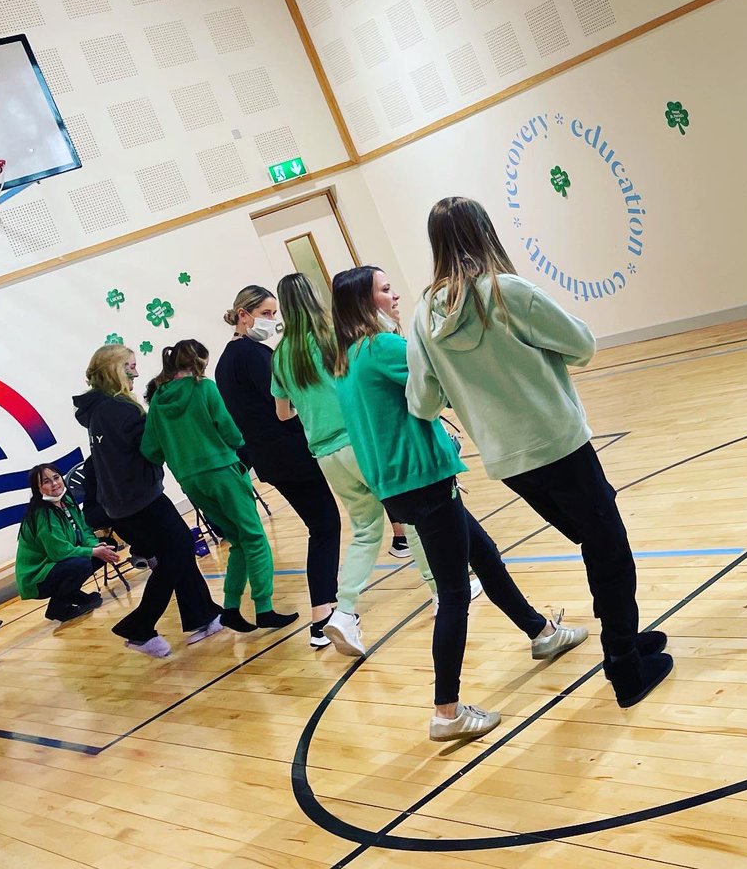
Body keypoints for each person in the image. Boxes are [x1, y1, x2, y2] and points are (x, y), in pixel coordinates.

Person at [405, 196, 672, 709]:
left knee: (595, 541)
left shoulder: (422, 318)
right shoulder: (508, 293)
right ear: (485, 232)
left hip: (508, 462)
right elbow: (582, 346)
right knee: (609, 548)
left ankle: (625, 639)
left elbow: (422, 399)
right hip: (558, 444)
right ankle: (624, 664)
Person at [332, 264, 588, 742]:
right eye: (385, 290)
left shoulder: (346, 358)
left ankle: (539, 632)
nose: (394, 296)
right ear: (365, 304)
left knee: (484, 556)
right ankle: (446, 711)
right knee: (453, 594)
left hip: (399, 485)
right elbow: (437, 383)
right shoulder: (382, 347)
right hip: (423, 480)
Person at [271, 272, 448, 658]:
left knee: (366, 530)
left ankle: (344, 611)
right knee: (410, 517)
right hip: (359, 440)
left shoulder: (280, 354)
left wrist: (310, 404)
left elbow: (282, 413)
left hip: (324, 452)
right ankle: (441, 592)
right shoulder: (332, 336)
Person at [74, 344, 222, 658]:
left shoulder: (98, 411)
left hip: (121, 505)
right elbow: (149, 447)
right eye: (130, 366)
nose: (136, 373)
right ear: (115, 369)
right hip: (140, 500)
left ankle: (204, 615)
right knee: (178, 550)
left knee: (176, 552)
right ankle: (140, 626)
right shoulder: (118, 409)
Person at [142, 339, 298, 633]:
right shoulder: (204, 388)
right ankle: (264, 608)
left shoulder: (158, 401)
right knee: (254, 538)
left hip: (190, 481)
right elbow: (230, 431)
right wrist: (235, 444)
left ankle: (230, 609)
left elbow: (150, 449)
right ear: (199, 361)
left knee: (238, 541)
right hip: (221, 471)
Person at [216, 285, 342, 648]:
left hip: (269, 458)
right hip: (290, 455)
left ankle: (327, 607)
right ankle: (323, 614)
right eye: (267, 313)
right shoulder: (255, 356)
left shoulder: (227, 360)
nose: (273, 321)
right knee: (324, 525)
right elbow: (282, 409)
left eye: (275, 313)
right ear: (244, 315)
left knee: (323, 524)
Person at [15, 462, 120, 622]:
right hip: (38, 577)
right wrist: (92, 551)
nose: (54, 483)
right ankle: (57, 608)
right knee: (82, 563)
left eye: (56, 477)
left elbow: (84, 530)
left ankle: (75, 596)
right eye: (46, 482)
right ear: (38, 489)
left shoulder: (67, 502)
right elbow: (59, 552)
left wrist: (94, 545)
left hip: (56, 564)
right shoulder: (43, 514)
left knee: (107, 544)